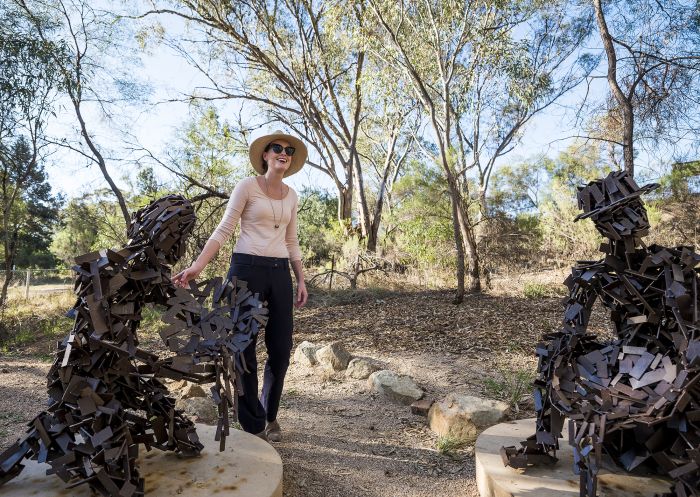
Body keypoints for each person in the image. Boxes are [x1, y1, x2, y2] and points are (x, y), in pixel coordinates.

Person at [172, 130, 309, 442]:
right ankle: (252, 424)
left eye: (288, 150)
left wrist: (300, 278)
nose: (283, 153)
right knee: (243, 347)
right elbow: (224, 229)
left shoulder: (291, 195)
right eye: (277, 148)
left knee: (281, 349)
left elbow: (291, 240)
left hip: (279, 273)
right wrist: (197, 266)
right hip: (245, 270)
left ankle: (269, 414)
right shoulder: (247, 186)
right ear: (265, 155)